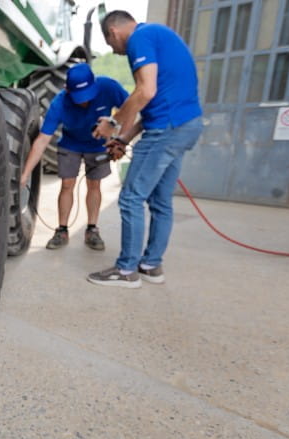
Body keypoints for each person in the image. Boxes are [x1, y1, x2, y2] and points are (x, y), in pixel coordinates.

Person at [87, 10, 204, 288]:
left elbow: (145, 92)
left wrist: (112, 123)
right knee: (160, 202)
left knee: (130, 198)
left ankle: (126, 270)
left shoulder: (140, 38)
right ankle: (151, 265)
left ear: (113, 32)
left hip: (167, 130)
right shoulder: (158, 34)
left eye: (110, 44)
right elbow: (154, 105)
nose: (114, 51)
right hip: (184, 125)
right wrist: (124, 138)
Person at [21, 63, 128, 251]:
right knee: (67, 185)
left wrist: (121, 140)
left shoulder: (109, 87)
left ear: (94, 84)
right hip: (70, 144)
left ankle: (92, 229)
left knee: (94, 185)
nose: (84, 102)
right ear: (67, 90)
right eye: (79, 97)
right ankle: (62, 230)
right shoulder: (59, 103)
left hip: (98, 144)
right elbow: (42, 140)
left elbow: (131, 109)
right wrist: (25, 174)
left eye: (88, 96)